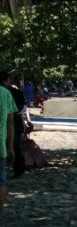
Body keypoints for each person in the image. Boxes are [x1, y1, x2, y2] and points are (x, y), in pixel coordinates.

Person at [2, 72, 26, 178]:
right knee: (16, 148)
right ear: (6, 80)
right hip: (15, 122)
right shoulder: (15, 92)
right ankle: (19, 170)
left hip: (4, 123)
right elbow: (22, 108)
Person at [0, 71, 15, 209]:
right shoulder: (5, 94)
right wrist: (11, 147)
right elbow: (11, 122)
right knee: (1, 183)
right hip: (1, 147)